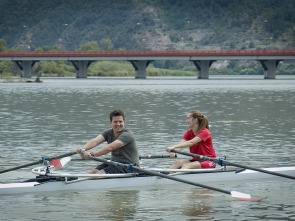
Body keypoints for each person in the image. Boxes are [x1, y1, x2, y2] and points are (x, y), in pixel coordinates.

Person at [76, 110, 139, 174]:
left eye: (120, 121)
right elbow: (95, 141)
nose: (118, 124)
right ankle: (76, 180)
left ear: (124, 122)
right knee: (92, 172)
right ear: (111, 123)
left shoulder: (127, 134)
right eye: (115, 122)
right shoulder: (108, 133)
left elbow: (110, 147)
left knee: (100, 174)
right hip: (114, 163)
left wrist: (92, 154)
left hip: (129, 167)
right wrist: (83, 149)